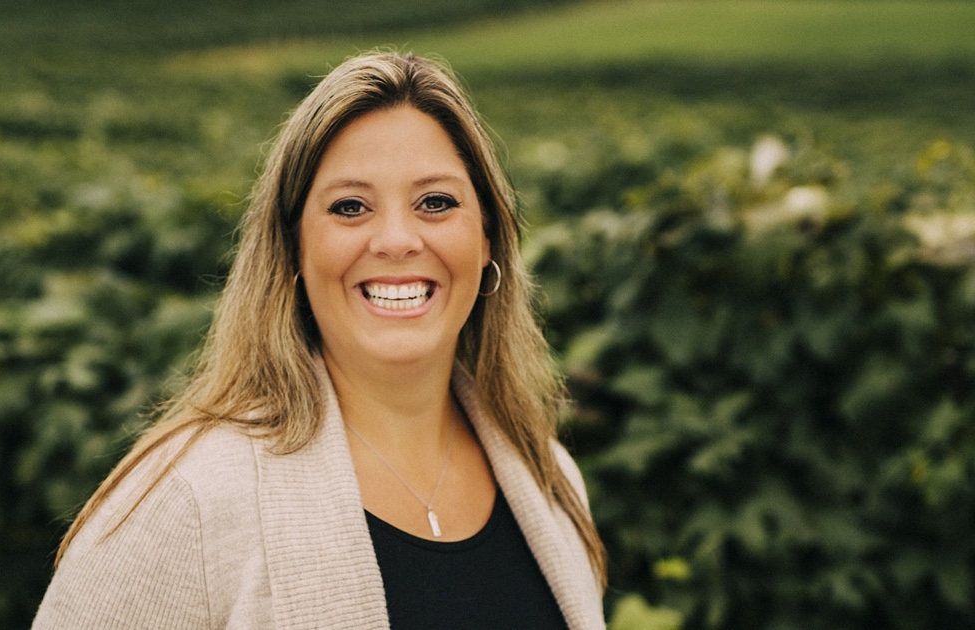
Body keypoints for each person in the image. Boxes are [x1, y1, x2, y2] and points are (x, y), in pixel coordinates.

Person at [32, 50, 607, 629]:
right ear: (295, 251)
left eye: (436, 202)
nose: (397, 239)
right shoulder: (189, 501)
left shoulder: (550, 482)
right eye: (349, 207)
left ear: (487, 241)